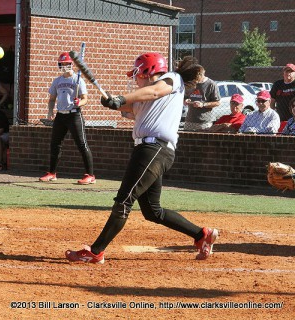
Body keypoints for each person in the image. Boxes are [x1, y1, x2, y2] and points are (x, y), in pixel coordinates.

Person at [65, 54, 219, 264]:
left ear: (150, 71)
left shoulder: (171, 79)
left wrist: (123, 98)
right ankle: (202, 235)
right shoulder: (148, 97)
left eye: (138, 75)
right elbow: (132, 107)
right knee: (152, 211)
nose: (136, 80)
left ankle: (96, 251)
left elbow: (153, 91)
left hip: (154, 148)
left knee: (124, 200)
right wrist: (112, 101)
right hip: (149, 150)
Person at [39, 52, 95, 185]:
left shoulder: (78, 80)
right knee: (55, 144)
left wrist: (79, 103)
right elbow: (52, 99)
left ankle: (90, 175)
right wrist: (50, 111)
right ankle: (52, 173)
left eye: (67, 64)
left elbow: (85, 99)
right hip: (60, 115)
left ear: (71, 64)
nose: (65, 66)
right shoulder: (57, 81)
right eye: (62, 64)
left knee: (82, 144)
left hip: (74, 114)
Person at [183, 66, 221, 131]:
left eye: (196, 78)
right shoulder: (191, 83)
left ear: (202, 74)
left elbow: (217, 102)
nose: (195, 81)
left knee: (203, 140)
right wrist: (185, 100)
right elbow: (185, 97)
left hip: (205, 122)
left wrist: (203, 104)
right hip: (190, 120)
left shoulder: (211, 84)